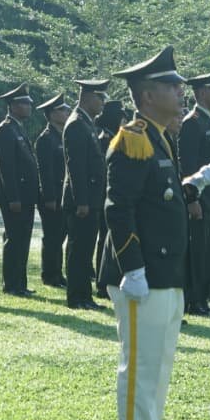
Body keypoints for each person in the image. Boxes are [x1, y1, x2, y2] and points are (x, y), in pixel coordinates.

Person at [100, 46, 210, 420]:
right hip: (144, 275)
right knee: (140, 372)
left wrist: (193, 185)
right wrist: (132, 268)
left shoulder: (158, 138)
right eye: (171, 86)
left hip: (166, 273)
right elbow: (119, 209)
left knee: (157, 373)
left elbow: (157, 199)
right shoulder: (132, 139)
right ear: (147, 95)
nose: (179, 92)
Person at [177, 70, 210, 317]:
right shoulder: (192, 122)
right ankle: (194, 300)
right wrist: (192, 198)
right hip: (199, 199)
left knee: (207, 249)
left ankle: (202, 299)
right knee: (196, 251)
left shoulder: (209, 121)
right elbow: (187, 165)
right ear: (202, 93)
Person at [61, 79, 108, 310]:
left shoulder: (86, 123)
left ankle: (84, 295)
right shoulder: (77, 124)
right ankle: (77, 297)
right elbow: (76, 166)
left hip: (91, 198)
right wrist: (82, 201)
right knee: (79, 250)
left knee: (85, 249)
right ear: (87, 97)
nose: (103, 103)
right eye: (100, 97)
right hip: (83, 200)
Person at [0, 84, 39, 297]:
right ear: (12, 106)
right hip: (15, 196)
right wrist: (13, 197)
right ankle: (11, 284)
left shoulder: (17, 127)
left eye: (29, 103)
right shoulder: (5, 129)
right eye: (24, 103)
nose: (29, 107)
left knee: (23, 239)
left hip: (25, 195)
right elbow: (6, 167)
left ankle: (20, 282)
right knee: (14, 239)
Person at [34, 93, 70, 289]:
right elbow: (45, 171)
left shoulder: (62, 136)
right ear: (52, 114)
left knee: (60, 235)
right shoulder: (46, 138)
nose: (66, 113)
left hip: (62, 195)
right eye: (62, 110)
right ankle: (50, 275)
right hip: (52, 196)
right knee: (52, 236)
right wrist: (49, 197)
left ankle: (58, 273)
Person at [93, 98, 126, 296]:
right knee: (105, 239)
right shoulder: (105, 138)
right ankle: (102, 282)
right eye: (120, 116)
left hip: (109, 194)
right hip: (106, 194)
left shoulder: (113, 136)